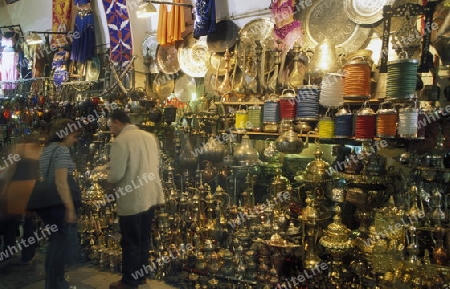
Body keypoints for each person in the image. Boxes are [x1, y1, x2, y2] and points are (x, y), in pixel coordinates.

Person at [106, 109, 165, 289]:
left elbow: (116, 174)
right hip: (150, 194)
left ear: (117, 122)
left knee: (130, 240)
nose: (110, 130)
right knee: (143, 239)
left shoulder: (121, 141)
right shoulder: (149, 137)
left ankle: (129, 281)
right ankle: (140, 276)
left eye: (110, 126)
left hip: (132, 197)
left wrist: (106, 179)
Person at [38, 119, 81, 289]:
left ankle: (52, 283)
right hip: (59, 205)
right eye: (74, 136)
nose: (75, 140)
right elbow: (61, 182)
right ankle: (58, 284)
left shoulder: (47, 150)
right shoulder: (62, 151)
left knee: (54, 243)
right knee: (60, 246)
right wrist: (69, 208)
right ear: (66, 134)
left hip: (47, 205)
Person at [0, 132, 43, 266]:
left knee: (10, 223)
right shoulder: (39, 150)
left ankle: (8, 253)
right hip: (32, 188)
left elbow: (11, 169)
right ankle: (27, 255)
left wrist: (5, 188)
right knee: (30, 224)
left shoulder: (20, 147)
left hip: (17, 188)